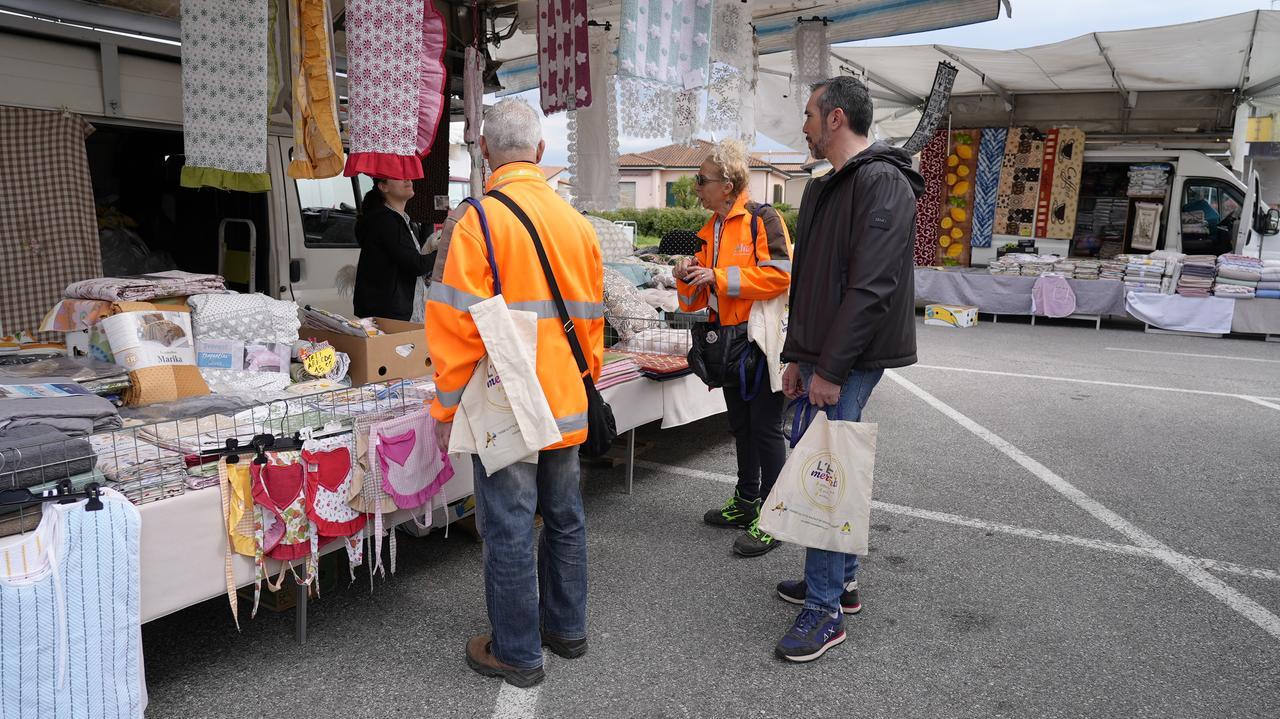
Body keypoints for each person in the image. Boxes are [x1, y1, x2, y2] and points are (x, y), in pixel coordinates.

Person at [425, 98, 604, 688]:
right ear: (542, 152)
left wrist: (448, 406)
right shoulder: (578, 223)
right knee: (565, 517)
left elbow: (452, 325)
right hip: (567, 397)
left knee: (508, 526)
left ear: (483, 152)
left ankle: (518, 652)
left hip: (506, 403)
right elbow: (594, 320)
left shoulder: (474, 221)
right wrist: (585, 381)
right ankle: (567, 629)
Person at [772, 76, 923, 663]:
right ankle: (839, 583)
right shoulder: (828, 187)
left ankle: (825, 609)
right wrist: (796, 357)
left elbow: (871, 287)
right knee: (827, 465)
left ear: (836, 119)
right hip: (824, 354)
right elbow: (808, 282)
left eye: (809, 114)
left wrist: (829, 369)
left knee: (824, 475)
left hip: (851, 359)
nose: (804, 126)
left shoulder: (882, 181)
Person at [673, 139, 793, 558]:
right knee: (740, 426)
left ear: (727, 184)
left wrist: (720, 277)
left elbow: (781, 276)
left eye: (701, 180)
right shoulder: (709, 230)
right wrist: (685, 278)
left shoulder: (763, 219)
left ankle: (777, 516)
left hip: (758, 341)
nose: (695, 187)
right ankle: (747, 501)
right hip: (723, 343)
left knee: (765, 428)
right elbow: (693, 302)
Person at [353, 177, 432, 320]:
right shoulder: (386, 221)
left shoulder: (398, 220)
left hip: (394, 311)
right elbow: (416, 264)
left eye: (407, 175)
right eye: (398, 177)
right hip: (390, 314)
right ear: (383, 187)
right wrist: (445, 252)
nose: (408, 179)